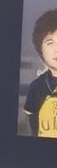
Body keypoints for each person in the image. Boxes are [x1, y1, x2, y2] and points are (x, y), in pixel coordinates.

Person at [24, 8, 57, 136]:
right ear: (40, 49)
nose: (56, 50)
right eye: (50, 43)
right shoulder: (37, 87)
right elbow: (32, 123)